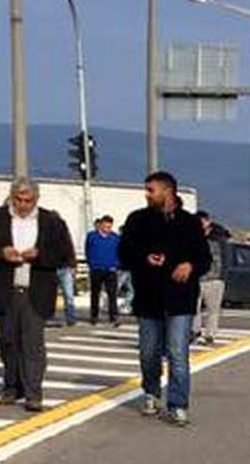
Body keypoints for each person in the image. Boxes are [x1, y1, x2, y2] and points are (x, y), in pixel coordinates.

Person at [0, 178, 75, 412]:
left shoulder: (52, 222)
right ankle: (12, 386)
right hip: (4, 289)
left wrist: (39, 255)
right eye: (18, 200)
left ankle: (33, 393)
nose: (23, 205)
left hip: (35, 291)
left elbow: (64, 255)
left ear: (36, 199)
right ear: (11, 196)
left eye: (28, 201)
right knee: (7, 341)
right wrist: (1, 253)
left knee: (32, 344)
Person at [119, 171, 211, 427]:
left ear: (167, 191)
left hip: (180, 299)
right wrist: (144, 258)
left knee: (177, 352)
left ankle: (178, 404)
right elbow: (124, 254)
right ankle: (151, 391)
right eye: (146, 190)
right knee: (149, 352)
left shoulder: (189, 223)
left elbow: (205, 258)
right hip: (148, 298)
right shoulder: (137, 220)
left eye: (151, 190)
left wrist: (190, 266)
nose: (147, 195)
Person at [193, 211, 227, 345]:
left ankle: (210, 334)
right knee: (193, 308)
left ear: (208, 221)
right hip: (197, 278)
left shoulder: (219, 236)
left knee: (213, 310)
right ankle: (194, 331)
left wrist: (223, 275)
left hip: (215, 279)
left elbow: (225, 257)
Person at [85, 215, 121, 327]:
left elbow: (119, 252)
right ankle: (94, 315)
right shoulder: (92, 236)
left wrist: (116, 264)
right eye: (105, 226)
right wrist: (91, 263)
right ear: (100, 225)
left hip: (111, 270)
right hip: (96, 269)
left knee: (112, 294)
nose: (107, 229)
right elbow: (87, 250)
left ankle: (113, 316)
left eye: (109, 227)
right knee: (95, 293)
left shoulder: (115, 238)